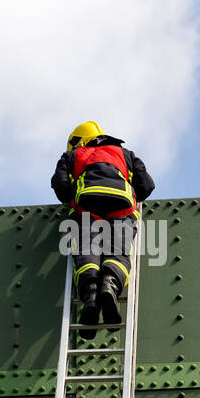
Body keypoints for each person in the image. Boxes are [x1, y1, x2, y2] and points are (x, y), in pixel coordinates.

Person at [51, 121, 155, 335]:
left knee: (87, 250)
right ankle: (109, 286)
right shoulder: (125, 153)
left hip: (87, 209)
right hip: (122, 210)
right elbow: (146, 186)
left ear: (78, 142)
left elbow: (61, 188)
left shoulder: (71, 156)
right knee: (117, 251)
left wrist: (73, 196)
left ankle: (90, 296)